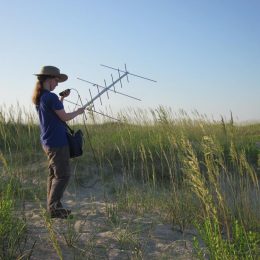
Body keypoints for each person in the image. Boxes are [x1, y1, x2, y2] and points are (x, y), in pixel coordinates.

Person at [32, 65, 85, 219]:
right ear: (49, 79)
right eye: (56, 80)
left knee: (53, 175)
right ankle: (53, 208)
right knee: (63, 175)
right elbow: (64, 117)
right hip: (57, 143)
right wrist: (79, 111)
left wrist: (62, 98)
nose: (57, 84)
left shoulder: (41, 97)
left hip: (48, 142)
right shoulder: (50, 97)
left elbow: (53, 114)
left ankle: (53, 205)